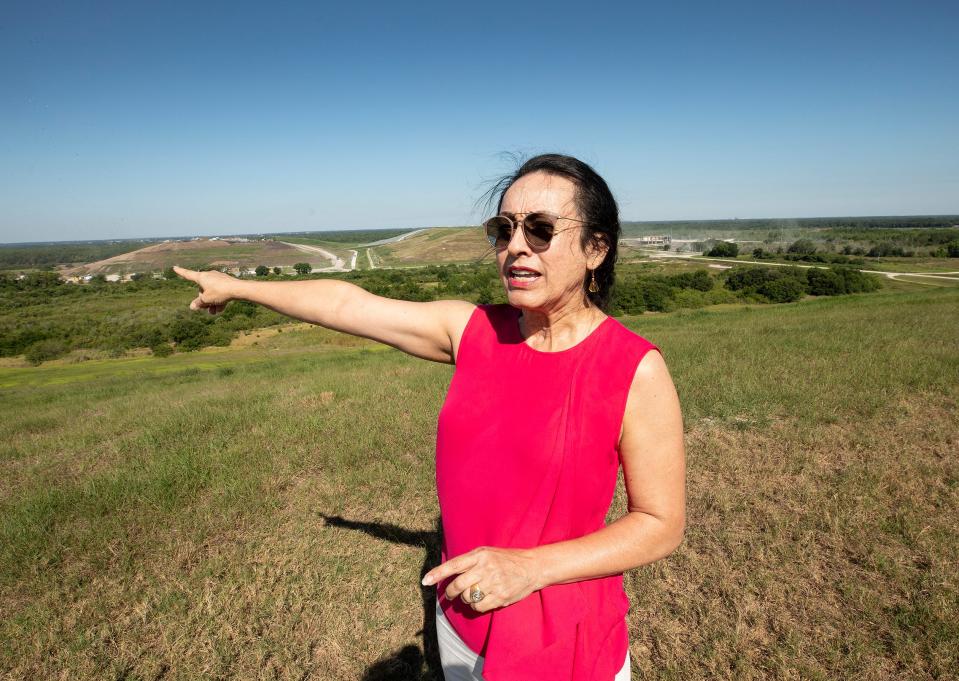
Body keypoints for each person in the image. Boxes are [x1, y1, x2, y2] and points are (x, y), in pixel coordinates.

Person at [173, 153, 686, 681]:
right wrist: (236, 287)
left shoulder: (633, 369)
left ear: (595, 248)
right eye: (503, 229)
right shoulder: (471, 331)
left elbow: (660, 524)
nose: (515, 247)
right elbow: (347, 304)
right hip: (461, 620)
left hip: (565, 641)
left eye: (540, 230)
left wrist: (531, 567)